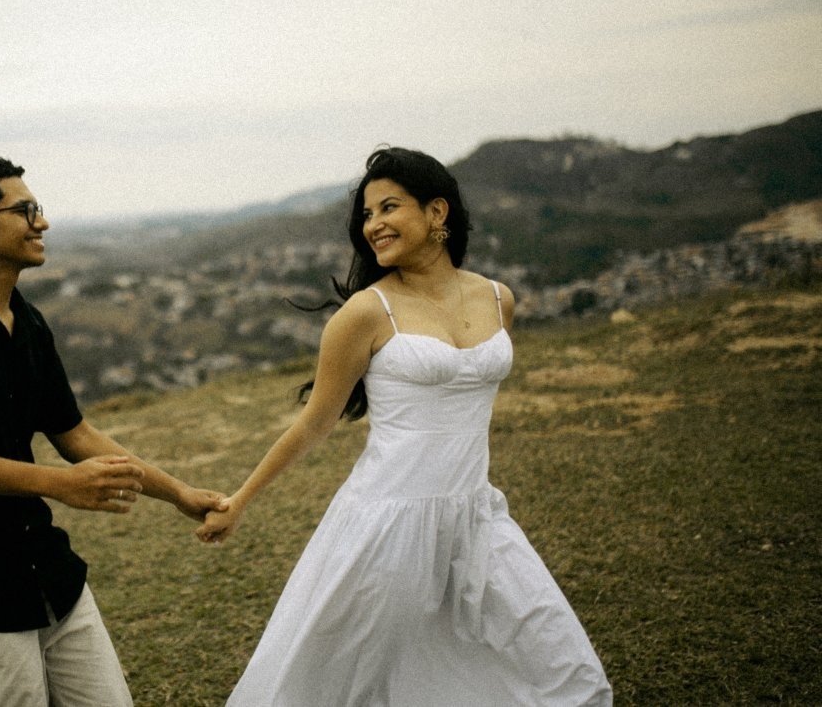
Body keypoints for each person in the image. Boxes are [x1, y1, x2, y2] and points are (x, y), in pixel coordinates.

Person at [197, 147, 612, 705]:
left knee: (561, 670)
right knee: (355, 682)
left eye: (389, 207)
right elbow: (314, 424)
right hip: (386, 523)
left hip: (476, 516)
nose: (373, 225)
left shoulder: (498, 298)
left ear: (437, 212)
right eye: (367, 215)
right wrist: (241, 500)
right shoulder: (365, 313)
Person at [0, 156, 225, 706]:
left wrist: (178, 493)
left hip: (43, 563)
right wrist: (58, 484)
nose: (42, 222)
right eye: (26, 210)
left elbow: (75, 434)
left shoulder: (29, 322)